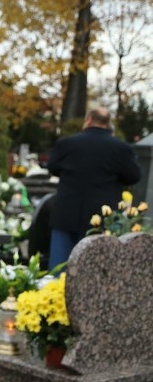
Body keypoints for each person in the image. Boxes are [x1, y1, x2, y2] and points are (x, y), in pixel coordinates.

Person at [47, 107, 142, 270]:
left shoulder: (67, 143)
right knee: (96, 274)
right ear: (108, 124)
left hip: (67, 213)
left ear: (88, 119)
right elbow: (134, 176)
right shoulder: (120, 148)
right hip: (102, 219)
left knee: (60, 269)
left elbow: (53, 167)